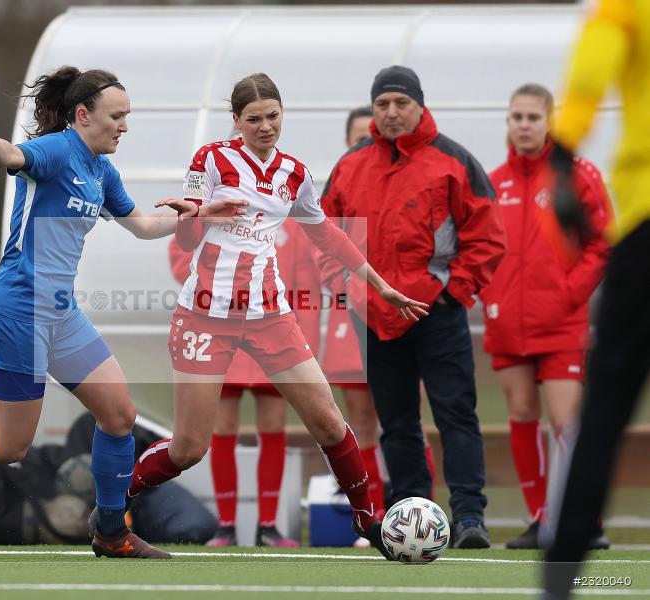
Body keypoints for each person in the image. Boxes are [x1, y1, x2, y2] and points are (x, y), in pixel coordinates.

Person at [0, 66, 245, 561]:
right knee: (10, 446)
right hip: (17, 307)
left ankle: (110, 532)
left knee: (119, 415)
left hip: (60, 312)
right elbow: (14, 156)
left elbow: (140, 224)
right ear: (83, 115)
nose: (125, 126)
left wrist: (200, 213)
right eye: (117, 116)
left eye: (128, 117)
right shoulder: (58, 149)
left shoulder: (102, 170)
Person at [126, 73, 430, 561]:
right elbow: (184, 242)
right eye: (253, 119)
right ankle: (110, 506)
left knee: (329, 422)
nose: (265, 126)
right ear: (236, 122)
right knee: (187, 448)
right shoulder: (212, 159)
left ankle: (369, 520)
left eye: (273, 116)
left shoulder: (294, 172)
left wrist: (380, 285)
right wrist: (197, 213)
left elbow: (327, 234)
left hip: (271, 316)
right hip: (206, 315)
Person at [321, 65, 507, 549]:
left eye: (401, 103)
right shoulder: (351, 165)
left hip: (436, 314)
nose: (391, 112)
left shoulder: (454, 162)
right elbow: (323, 236)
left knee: (456, 414)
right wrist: (346, 290)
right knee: (397, 424)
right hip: (376, 319)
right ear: (373, 110)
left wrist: (452, 292)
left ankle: (469, 518)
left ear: (419, 106)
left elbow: (487, 237)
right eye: (382, 104)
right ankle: (412, 517)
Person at [542, 1, 650, 596]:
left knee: (605, 410)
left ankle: (559, 579)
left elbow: (593, 63)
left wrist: (562, 150)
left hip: (644, 216)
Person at [479, 83, 611, 550]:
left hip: (561, 324)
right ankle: (541, 520)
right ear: (508, 124)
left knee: (566, 422)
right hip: (506, 325)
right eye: (516, 117)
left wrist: (569, 294)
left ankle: (583, 520)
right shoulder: (494, 182)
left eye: (533, 117)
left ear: (549, 122)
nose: (524, 125)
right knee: (520, 414)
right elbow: (481, 249)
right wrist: (487, 296)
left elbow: (600, 242)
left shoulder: (577, 176)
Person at [168, 216, 319, 547]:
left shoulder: (289, 225)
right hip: (221, 331)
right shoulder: (213, 213)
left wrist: (303, 343)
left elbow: (307, 284)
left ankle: (269, 527)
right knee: (221, 430)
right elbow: (182, 258)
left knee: (272, 426)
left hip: (271, 333)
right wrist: (223, 286)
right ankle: (227, 526)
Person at [321, 106, 436, 521]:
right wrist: (345, 286)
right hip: (352, 318)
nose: (361, 145)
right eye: (355, 139)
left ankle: (421, 510)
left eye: (364, 138)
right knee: (361, 421)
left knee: (405, 416)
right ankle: (371, 515)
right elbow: (323, 243)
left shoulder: (406, 179)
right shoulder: (344, 181)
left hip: (400, 316)